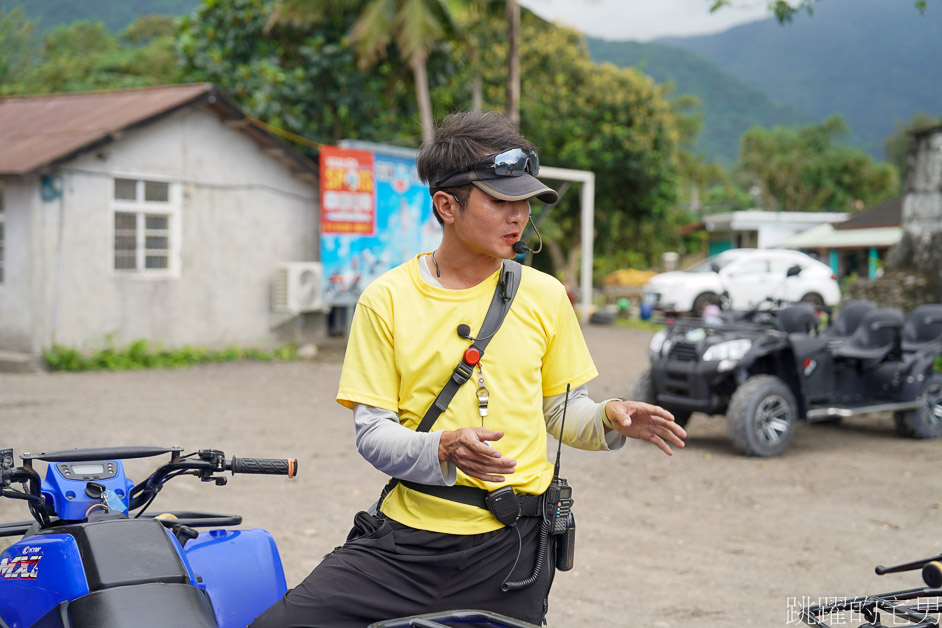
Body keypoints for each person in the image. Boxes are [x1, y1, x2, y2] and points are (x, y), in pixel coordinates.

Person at [250, 111, 686, 628]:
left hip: (512, 550)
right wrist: (440, 447)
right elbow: (373, 435)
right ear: (447, 205)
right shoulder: (386, 300)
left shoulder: (544, 295)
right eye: (501, 200)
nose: (519, 215)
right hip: (403, 546)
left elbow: (560, 411)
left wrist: (609, 418)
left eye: (525, 201)